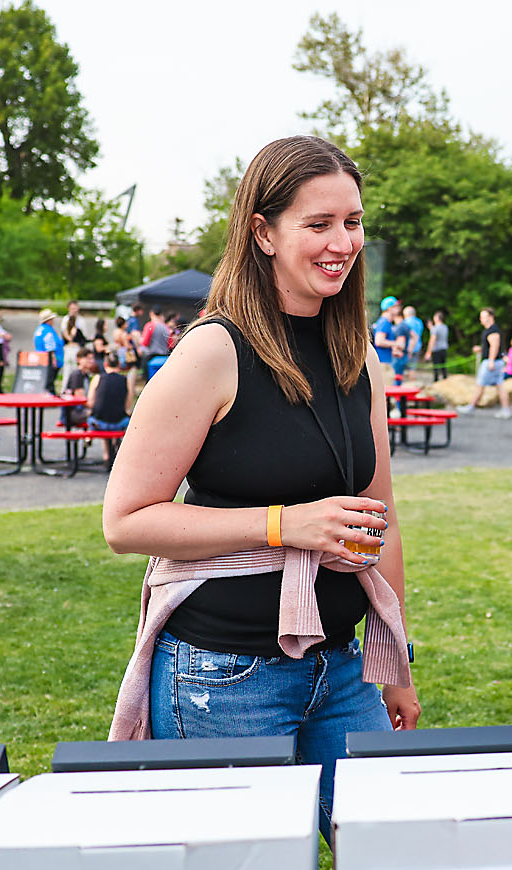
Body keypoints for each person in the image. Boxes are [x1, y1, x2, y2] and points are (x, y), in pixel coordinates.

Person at [102, 135, 419, 828]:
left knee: (391, 855)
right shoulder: (213, 352)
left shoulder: (357, 357)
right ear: (262, 232)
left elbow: (381, 514)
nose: (343, 241)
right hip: (222, 677)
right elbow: (125, 520)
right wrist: (284, 523)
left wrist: (394, 662)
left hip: (342, 670)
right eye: (319, 224)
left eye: (353, 222)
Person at [88, 351, 131, 470]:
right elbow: (127, 406)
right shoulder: (125, 380)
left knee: (97, 417)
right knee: (122, 418)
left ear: (105, 364)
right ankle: (115, 447)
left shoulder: (97, 378)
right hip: (118, 423)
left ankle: (106, 453)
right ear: (119, 365)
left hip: (99, 423)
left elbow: (91, 402)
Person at [458, 307, 506, 413]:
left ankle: (471, 406)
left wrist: (491, 360)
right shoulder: (490, 330)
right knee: (499, 386)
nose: (481, 319)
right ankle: (505, 409)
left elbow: (495, 346)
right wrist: (481, 349)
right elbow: (490, 346)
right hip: (495, 361)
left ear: (491, 317)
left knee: (480, 384)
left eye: (483, 317)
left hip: (491, 361)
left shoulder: (493, 330)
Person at [33, 309, 64, 392]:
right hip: (48, 359)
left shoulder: (39, 329)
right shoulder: (48, 331)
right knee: (49, 380)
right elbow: (50, 347)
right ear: (49, 320)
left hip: (41, 358)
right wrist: (54, 360)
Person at [140, 306, 171, 378]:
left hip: (151, 358)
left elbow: (145, 342)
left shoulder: (150, 326)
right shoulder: (166, 327)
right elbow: (170, 344)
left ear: (151, 313)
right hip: (164, 358)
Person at [397, 303, 423, 379]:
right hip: (418, 346)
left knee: (407, 367)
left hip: (409, 348)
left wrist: (410, 350)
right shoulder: (419, 322)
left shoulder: (406, 322)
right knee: (413, 366)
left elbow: (411, 337)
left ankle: (409, 385)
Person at [372, 296, 399, 369]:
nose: (399, 308)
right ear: (389, 308)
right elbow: (379, 341)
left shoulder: (386, 322)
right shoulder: (384, 322)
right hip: (382, 363)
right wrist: (397, 344)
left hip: (384, 362)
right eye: (396, 306)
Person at [427, 310, 450, 381]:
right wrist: (431, 328)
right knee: (443, 366)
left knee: (436, 367)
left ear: (437, 318)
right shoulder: (445, 327)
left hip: (436, 349)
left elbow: (432, 340)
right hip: (444, 348)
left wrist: (428, 352)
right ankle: (445, 379)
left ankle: (436, 381)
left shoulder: (435, 328)